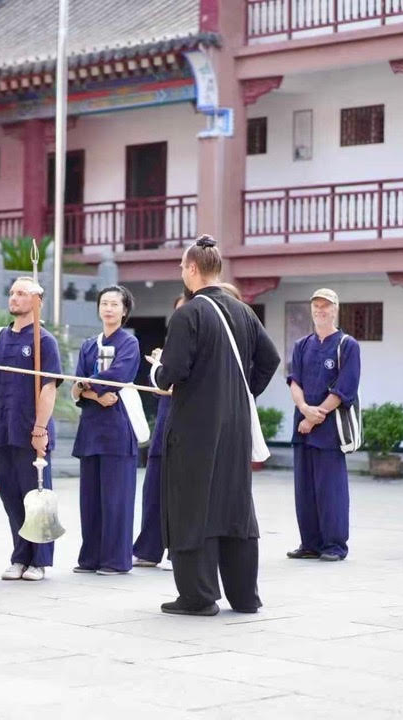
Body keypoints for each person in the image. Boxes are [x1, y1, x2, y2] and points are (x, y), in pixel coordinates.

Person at [149, 235, 280, 616]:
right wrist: (242, 393)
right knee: (235, 506)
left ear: (192, 269)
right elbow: (269, 359)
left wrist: (156, 369)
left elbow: (170, 374)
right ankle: (244, 596)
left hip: (196, 427)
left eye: (182, 267)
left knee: (192, 505)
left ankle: (198, 596)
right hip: (236, 426)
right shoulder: (242, 311)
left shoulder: (189, 313)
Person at [0, 276, 62, 582]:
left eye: (22, 293)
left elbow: (49, 388)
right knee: (11, 495)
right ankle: (19, 556)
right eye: (12, 292)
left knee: (36, 496)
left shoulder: (44, 340)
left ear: (37, 300)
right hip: (3, 429)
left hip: (31, 432)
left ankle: (39, 560)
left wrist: (40, 429)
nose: (14, 298)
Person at [71, 285, 141, 576]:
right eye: (104, 303)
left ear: (124, 310)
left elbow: (120, 375)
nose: (109, 308)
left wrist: (88, 385)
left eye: (115, 304)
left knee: (116, 499)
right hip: (91, 428)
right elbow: (74, 383)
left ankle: (115, 560)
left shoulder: (129, 343)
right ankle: (90, 557)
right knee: (90, 499)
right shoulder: (89, 344)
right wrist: (93, 393)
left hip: (117, 427)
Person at [286, 288, 360, 562]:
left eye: (325, 306)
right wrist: (304, 410)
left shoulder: (347, 345)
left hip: (329, 431)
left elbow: (345, 387)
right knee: (304, 490)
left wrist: (316, 416)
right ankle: (309, 543)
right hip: (303, 428)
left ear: (335, 309)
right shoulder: (302, 345)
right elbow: (295, 381)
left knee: (331, 490)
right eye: (316, 305)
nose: (320, 310)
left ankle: (334, 545)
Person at [133, 295, 185, 570]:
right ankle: (148, 548)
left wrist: (160, 370)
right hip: (164, 423)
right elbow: (160, 387)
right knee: (153, 486)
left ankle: (178, 550)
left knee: (181, 492)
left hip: (188, 426)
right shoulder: (169, 348)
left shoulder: (200, 347)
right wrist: (158, 368)